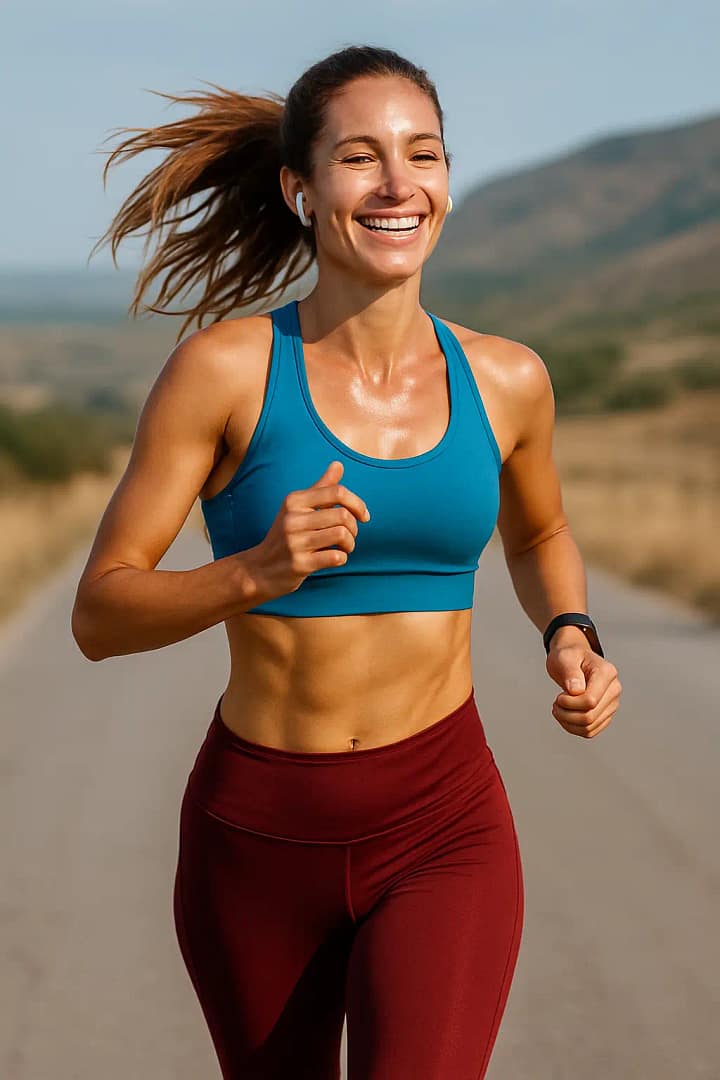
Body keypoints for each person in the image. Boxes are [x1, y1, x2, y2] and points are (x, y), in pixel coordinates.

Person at [71, 43, 623, 1080]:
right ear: (302, 190)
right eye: (362, 158)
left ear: (449, 180)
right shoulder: (226, 371)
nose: (399, 183)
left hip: (442, 821)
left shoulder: (509, 379)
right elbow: (100, 614)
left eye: (424, 154)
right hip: (257, 836)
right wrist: (253, 571)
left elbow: (540, 533)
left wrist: (570, 631)